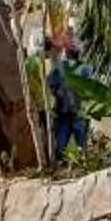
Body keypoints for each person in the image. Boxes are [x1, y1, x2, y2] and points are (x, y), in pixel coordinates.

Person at [46, 27, 92, 159]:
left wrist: (60, 95)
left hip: (63, 111)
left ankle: (60, 163)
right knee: (81, 142)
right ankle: (83, 162)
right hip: (80, 111)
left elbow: (50, 84)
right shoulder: (85, 70)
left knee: (62, 141)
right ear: (78, 53)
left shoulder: (59, 67)